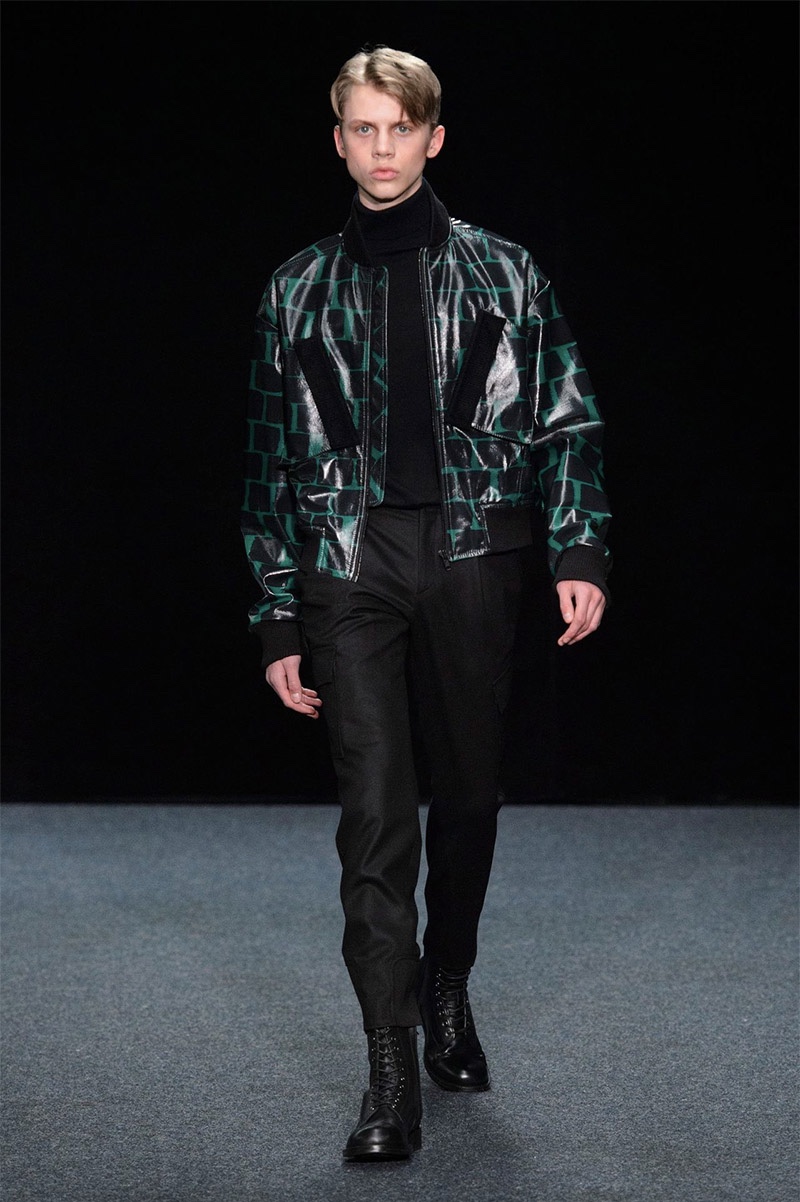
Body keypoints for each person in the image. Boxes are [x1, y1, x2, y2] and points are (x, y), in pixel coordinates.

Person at [241, 45, 611, 1162]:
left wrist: (578, 546)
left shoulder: (507, 273)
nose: (383, 147)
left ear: (433, 137)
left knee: (469, 797)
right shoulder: (295, 289)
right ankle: (389, 1067)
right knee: (372, 812)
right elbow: (267, 464)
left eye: (400, 127)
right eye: (363, 128)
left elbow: (565, 417)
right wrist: (275, 614)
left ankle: (447, 980)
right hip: (348, 562)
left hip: (473, 552)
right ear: (339, 141)